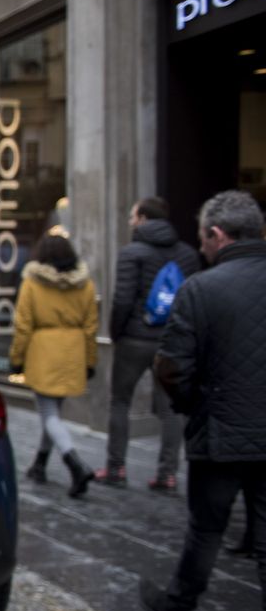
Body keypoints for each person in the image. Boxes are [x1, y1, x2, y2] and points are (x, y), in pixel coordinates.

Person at [140, 190, 266, 611]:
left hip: (221, 434)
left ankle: (178, 607)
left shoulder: (200, 289)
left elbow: (170, 367)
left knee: (207, 528)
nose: (202, 247)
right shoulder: (203, 285)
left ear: (217, 235)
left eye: (203, 239)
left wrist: (194, 403)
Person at [98, 197, 201, 490]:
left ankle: (116, 469)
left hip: (134, 339)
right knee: (170, 408)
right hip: (171, 340)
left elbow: (122, 300)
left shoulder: (132, 252)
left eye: (133, 216)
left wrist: (116, 334)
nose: (130, 221)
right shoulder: (188, 255)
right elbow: (193, 300)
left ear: (143, 218)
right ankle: (168, 474)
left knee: (120, 402)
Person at [10, 232, 98, 498]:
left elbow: (23, 324)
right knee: (53, 415)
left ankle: (75, 463)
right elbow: (91, 326)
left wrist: (16, 359)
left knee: (49, 415)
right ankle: (40, 463)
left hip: (43, 351)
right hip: (73, 350)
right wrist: (90, 360)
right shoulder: (85, 285)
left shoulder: (33, 282)